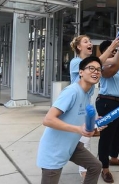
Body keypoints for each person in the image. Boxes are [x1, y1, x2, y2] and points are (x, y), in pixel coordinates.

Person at [37, 56, 104, 184]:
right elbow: (48, 119)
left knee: (95, 166)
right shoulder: (72, 91)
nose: (96, 71)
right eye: (91, 68)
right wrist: (78, 129)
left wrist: (96, 122)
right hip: (54, 149)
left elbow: (80, 116)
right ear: (80, 72)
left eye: (99, 69)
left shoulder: (87, 92)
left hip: (72, 145)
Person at [69, 35, 119, 180]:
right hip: (75, 106)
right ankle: (84, 171)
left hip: (85, 105)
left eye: (90, 41)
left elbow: (113, 61)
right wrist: (111, 46)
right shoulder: (76, 62)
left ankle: (85, 172)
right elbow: (97, 63)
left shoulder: (93, 62)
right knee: (81, 141)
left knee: (86, 140)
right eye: (86, 41)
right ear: (79, 47)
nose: (90, 43)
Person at [95, 40, 119, 183]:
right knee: (106, 135)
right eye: (110, 50)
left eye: (114, 50)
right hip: (107, 102)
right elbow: (110, 73)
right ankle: (104, 168)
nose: (113, 52)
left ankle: (114, 158)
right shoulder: (102, 65)